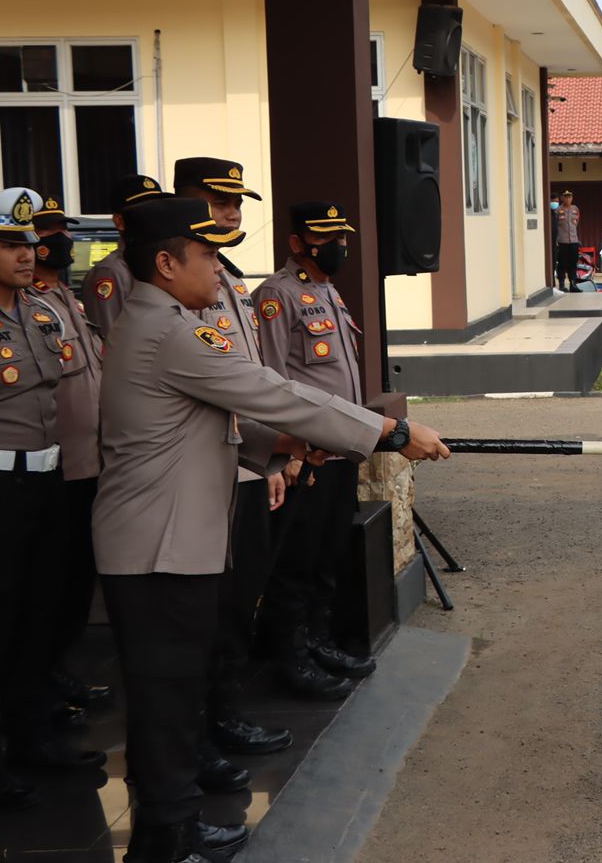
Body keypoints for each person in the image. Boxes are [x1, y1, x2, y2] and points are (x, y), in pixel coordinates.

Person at [94, 197, 449, 861]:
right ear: (166, 263)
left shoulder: (164, 322)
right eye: (205, 254)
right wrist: (390, 431)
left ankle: (172, 823)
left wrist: (288, 444)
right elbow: (271, 389)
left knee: (173, 693)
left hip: (168, 542)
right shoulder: (172, 330)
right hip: (158, 550)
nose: (217, 265)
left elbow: (221, 422)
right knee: (167, 697)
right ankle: (164, 842)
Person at [0, 187, 106, 813]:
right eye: (8, 244)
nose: (26, 255)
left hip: (50, 480)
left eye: (27, 244)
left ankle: (32, 738)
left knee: (40, 617)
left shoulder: (43, 309)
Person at [171, 157, 294, 778]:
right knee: (207, 612)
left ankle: (225, 714)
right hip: (200, 474)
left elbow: (257, 378)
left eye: (236, 204)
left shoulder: (231, 278)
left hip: (243, 465)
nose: (231, 214)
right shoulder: (171, 289)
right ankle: (203, 732)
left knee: (238, 601)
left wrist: (268, 457)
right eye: (217, 202)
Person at [253, 202, 378, 700]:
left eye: (341, 237)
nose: (338, 246)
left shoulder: (326, 290)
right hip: (304, 454)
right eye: (325, 237)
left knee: (327, 554)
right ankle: (292, 656)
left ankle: (320, 640)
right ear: (297, 242)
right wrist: (288, 454)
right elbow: (270, 381)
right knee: (297, 561)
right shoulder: (276, 296)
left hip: (338, 452)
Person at [27, 197, 113, 722]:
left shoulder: (68, 297)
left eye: (62, 230)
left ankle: (57, 671)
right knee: (46, 586)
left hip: (90, 465)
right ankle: (37, 685)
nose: (59, 240)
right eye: (46, 232)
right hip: (53, 470)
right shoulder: (28, 304)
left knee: (76, 581)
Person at [81, 173, 170, 339]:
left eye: (157, 207)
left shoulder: (165, 262)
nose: (154, 216)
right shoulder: (111, 271)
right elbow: (110, 340)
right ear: (119, 221)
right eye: (143, 210)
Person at [553, 189, 581, 292]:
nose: (568, 198)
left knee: (573, 263)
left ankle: (573, 284)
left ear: (572, 198)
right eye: (566, 197)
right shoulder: (558, 210)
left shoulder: (575, 209)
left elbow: (576, 223)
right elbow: (555, 225)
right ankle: (561, 284)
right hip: (562, 241)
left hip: (573, 241)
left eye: (570, 197)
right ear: (562, 198)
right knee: (562, 264)